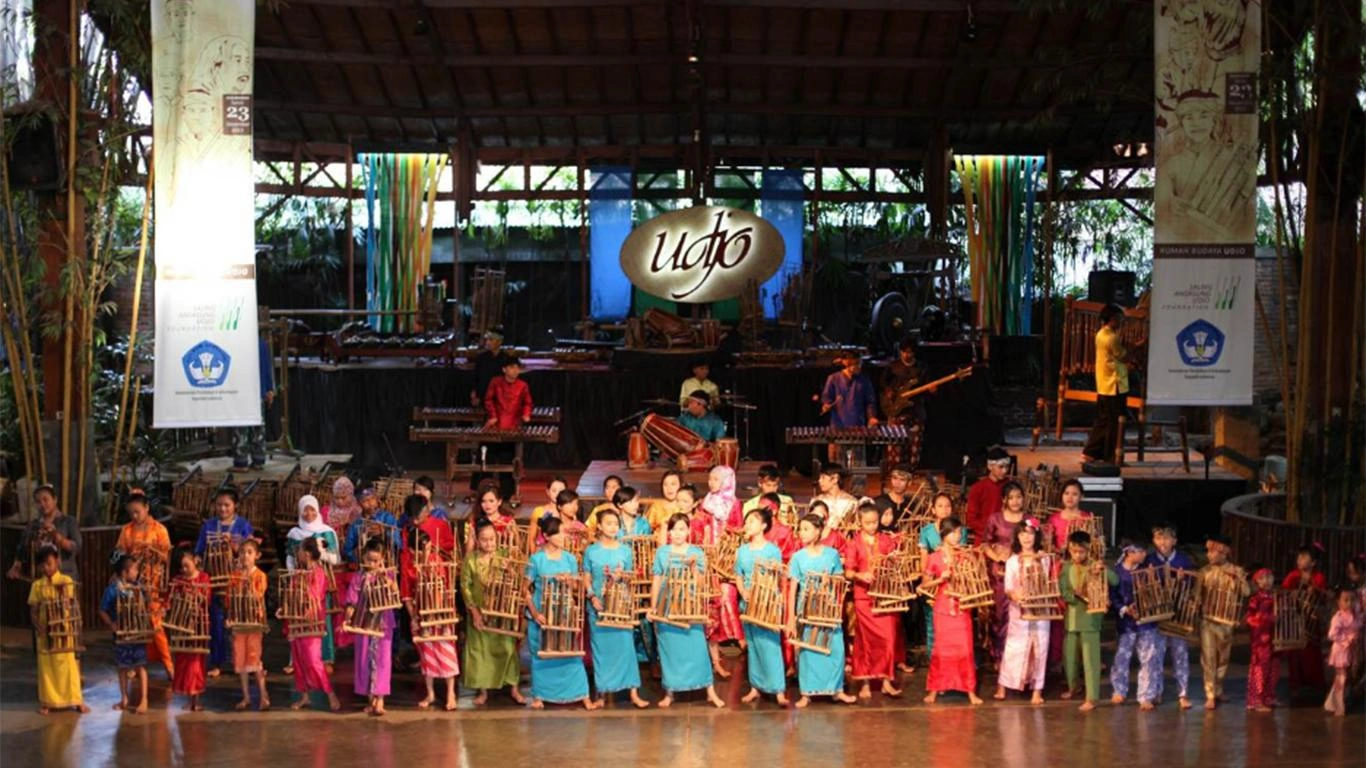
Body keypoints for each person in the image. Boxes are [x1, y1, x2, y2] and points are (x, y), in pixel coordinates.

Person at [652, 513, 725, 708]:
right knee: (669, 651)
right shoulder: (662, 552)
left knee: (698, 648)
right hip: (666, 604)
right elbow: (657, 579)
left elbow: (701, 582)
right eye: (674, 529)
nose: (677, 533)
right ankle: (670, 692)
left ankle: (710, 691)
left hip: (689, 605)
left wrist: (693, 567)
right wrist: (653, 607)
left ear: (689, 531)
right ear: (669, 532)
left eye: (682, 529)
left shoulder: (696, 552)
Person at [398, 493, 460, 711]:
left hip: (440, 611)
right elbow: (406, 591)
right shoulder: (408, 561)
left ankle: (451, 693)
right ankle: (431, 693)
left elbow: (444, 580)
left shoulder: (436, 561)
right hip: (422, 612)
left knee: (446, 649)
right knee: (427, 653)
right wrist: (413, 615)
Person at [582, 509, 649, 709]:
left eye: (615, 523)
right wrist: (591, 595)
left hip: (621, 605)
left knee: (626, 648)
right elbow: (586, 576)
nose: (613, 527)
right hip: (598, 605)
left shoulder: (625, 550)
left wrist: (623, 576)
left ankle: (634, 692)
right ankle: (602, 693)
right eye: (608, 523)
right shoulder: (591, 551)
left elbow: (632, 577)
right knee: (602, 650)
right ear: (600, 526)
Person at [460, 519, 526, 706]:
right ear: (477, 540)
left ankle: (513, 687)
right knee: (480, 651)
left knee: (507, 648)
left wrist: (510, 570)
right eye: (484, 540)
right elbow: (466, 587)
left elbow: (519, 580)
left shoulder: (505, 555)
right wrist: (474, 612)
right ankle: (483, 690)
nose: (489, 543)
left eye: (492, 539)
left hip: (502, 611)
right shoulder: (471, 560)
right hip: (480, 610)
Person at [194, 487, 253, 679]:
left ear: (235, 505)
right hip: (214, 582)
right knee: (217, 623)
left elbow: (249, 552)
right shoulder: (208, 525)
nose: (222, 509)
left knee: (239, 622)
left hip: (237, 581)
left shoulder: (243, 525)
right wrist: (195, 562)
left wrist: (235, 546)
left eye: (227, 505)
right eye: (219, 505)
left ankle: (242, 661)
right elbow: (199, 551)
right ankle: (217, 662)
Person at [846, 503, 903, 699]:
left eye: (875, 522)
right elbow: (848, 571)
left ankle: (886, 681)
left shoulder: (886, 540)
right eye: (867, 523)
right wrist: (861, 575)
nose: (872, 526)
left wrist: (895, 558)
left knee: (888, 639)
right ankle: (865, 682)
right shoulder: (853, 543)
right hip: (864, 597)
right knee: (866, 641)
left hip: (885, 596)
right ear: (859, 522)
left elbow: (893, 562)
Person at [922, 516, 981, 705]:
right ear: (944, 534)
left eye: (959, 532)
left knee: (965, 648)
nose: (957, 536)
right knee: (941, 649)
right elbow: (924, 584)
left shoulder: (964, 555)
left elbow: (976, 578)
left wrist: (974, 560)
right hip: (942, 608)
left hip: (962, 607)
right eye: (953, 532)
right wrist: (941, 579)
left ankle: (969, 689)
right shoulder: (934, 557)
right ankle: (935, 688)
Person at [279, 536, 342, 712]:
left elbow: (316, 596)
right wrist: (285, 609)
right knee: (299, 659)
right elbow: (290, 594)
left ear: (307, 554)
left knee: (313, 660)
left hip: (312, 621)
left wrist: (304, 611)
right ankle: (304, 696)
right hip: (296, 620)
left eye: (299, 550)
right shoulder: (299, 574)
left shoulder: (319, 573)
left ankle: (330, 693)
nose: (297, 554)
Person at [115, 493, 173, 678]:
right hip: (132, 584)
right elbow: (119, 554)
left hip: (153, 584)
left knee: (155, 625)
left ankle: (168, 664)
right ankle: (135, 664)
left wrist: (152, 552)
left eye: (137, 512)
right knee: (134, 622)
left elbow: (166, 557)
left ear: (147, 508)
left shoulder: (160, 530)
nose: (134, 516)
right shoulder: (127, 530)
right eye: (131, 513)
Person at [694, 465, 745, 676]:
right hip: (707, 560)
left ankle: (737, 640)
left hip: (726, 561)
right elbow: (698, 529)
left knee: (727, 597)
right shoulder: (704, 504)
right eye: (710, 479)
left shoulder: (734, 504)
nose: (711, 483)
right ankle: (714, 657)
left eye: (715, 479)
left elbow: (739, 529)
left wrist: (727, 539)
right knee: (710, 604)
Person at [1059, 529, 1117, 711]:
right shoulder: (1066, 567)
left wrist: (1103, 570)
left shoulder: (1095, 565)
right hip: (1071, 619)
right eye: (1074, 551)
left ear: (1088, 550)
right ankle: (1073, 687)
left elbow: (1114, 581)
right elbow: (1063, 590)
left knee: (1091, 660)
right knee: (1069, 658)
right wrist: (1072, 596)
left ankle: (1092, 697)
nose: (1077, 555)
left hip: (1090, 620)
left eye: (1081, 551)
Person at [735, 506, 788, 706]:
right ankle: (755, 686)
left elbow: (778, 577)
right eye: (746, 521)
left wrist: (772, 597)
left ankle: (778, 689)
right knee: (754, 645)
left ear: (763, 526)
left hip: (766, 602)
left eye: (751, 521)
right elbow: (738, 575)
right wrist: (743, 592)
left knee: (770, 646)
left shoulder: (772, 550)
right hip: (748, 602)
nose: (747, 525)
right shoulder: (742, 551)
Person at [996, 520, 1051, 704]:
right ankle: (1003, 684)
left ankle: (1037, 689)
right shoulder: (1012, 561)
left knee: (1040, 648)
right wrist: (1015, 595)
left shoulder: (1044, 559)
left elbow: (1049, 583)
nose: (1026, 537)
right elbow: (1008, 587)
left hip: (1040, 609)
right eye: (1022, 534)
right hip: (1019, 610)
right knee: (1014, 647)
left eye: (1030, 533)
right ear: (1017, 538)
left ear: (1036, 536)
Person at [28, 545, 87, 715]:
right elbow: (33, 610)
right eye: (43, 565)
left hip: (63, 629)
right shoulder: (37, 585)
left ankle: (76, 700)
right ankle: (47, 702)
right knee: (46, 668)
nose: (46, 568)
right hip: (45, 631)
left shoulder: (66, 581)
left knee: (68, 665)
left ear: (58, 562)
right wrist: (38, 627)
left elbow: (69, 603)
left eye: (50, 563)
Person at [286, 495, 340, 671]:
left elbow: (335, 558)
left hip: (320, 581)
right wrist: (293, 573)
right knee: (299, 616)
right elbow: (289, 557)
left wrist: (320, 554)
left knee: (322, 617)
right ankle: (297, 659)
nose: (309, 513)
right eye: (305, 509)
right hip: (301, 582)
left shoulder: (327, 532)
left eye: (312, 509)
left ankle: (326, 658)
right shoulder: (295, 533)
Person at [1144, 523, 1194, 709]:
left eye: (1166, 538)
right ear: (1153, 541)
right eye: (1159, 538)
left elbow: (1191, 583)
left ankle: (1183, 694)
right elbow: (1142, 585)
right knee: (1156, 654)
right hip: (1157, 614)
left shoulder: (1183, 560)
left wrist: (1183, 579)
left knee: (1180, 654)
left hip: (1178, 613)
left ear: (1174, 541)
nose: (1163, 542)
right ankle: (1156, 690)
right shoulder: (1149, 560)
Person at [346, 542, 397, 716]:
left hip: (383, 623)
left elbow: (395, 590)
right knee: (364, 660)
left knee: (383, 660)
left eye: (376, 561)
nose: (373, 564)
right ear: (363, 558)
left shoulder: (387, 574)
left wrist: (385, 577)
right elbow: (352, 600)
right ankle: (370, 699)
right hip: (363, 622)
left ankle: (380, 699)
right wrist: (347, 617)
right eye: (369, 560)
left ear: (383, 560)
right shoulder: (358, 577)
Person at [1198, 534, 1249, 710]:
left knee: (1223, 658)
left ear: (1223, 552)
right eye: (1209, 552)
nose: (1209, 556)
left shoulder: (1236, 571)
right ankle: (1210, 693)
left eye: (1212, 552)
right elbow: (1196, 596)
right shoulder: (1204, 571)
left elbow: (1246, 592)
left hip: (1226, 622)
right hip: (1208, 620)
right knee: (1209, 658)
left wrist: (1239, 578)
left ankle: (1218, 688)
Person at [99, 553, 149, 714]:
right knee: (122, 667)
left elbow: (147, 604)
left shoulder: (139, 586)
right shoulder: (113, 589)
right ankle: (124, 698)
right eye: (134, 570)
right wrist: (111, 624)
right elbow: (102, 610)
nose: (137, 573)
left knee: (140, 666)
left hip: (138, 632)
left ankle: (144, 699)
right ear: (124, 572)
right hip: (121, 634)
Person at [1109, 544, 1158, 709]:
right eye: (1141, 551)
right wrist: (1124, 609)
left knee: (1148, 658)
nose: (1144, 554)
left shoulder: (1147, 570)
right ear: (1129, 553)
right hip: (1126, 623)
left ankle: (1146, 695)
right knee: (1122, 657)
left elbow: (1155, 593)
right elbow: (1112, 596)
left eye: (1144, 551)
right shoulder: (1116, 572)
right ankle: (1119, 690)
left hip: (1146, 621)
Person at [1082, 303, 1129, 464]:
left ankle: (1091, 452)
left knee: (1104, 421)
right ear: (1113, 319)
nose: (1121, 322)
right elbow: (1123, 356)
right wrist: (1139, 346)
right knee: (1113, 424)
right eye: (1119, 318)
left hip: (1104, 385)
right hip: (1113, 385)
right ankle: (1110, 457)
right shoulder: (1112, 337)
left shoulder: (1100, 334)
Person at [482, 356, 533, 499]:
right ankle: (484, 491)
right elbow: (488, 400)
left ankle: (506, 493)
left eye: (517, 367)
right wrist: (492, 415)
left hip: (512, 427)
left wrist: (526, 414)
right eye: (511, 367)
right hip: (495, 426)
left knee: (508, 460)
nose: (515, 370)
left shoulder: (522, 385)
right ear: (504, 369)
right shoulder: (496, 382)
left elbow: (527, 403)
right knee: (488, 459)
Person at [1281, 543, 1329, 695]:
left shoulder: (1318, 577)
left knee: (1311, 654)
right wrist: (1292, 594)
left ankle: (1315, 684)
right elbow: (1283, 592)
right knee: (1294, 653)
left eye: (1303, 557)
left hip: (1311, 622)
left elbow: (1322, 597)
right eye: (1299, 557)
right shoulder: (1293, 575)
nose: (1299, 560)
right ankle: (1295, 683)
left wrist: (1314, 590)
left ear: (1313, 563)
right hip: (1295, 619)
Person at [8, 483, 82, 581]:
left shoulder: (68, 521)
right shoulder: (33, 525)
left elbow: (77, 547)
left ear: (55, 499)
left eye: (45, 499)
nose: (42, 504)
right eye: (38, 502)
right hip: (41, 580)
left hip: (66, 578)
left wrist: (57, 536)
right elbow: (22, 548)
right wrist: (17, 566)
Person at [168, 547, 210, 711]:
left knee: (195, 663)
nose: (185, 570)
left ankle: (195, 698)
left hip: (198, 627)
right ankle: (189, 698)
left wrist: (196, 596)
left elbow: (206, 599)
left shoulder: (204, 578)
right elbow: (171, 600)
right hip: (182, 627)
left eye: (187, 565)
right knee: (183, 661)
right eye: (182, 567)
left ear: (195, 561)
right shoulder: (178, 580)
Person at [917, 491, 958, 656]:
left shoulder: (957, 529)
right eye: (940, 506)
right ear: (933, 509)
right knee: (932, 620)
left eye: (948, 506)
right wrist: (925, 580)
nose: (944, 509)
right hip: (934, 575)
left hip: (953, 578)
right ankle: (933, 655)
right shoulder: (927, 531)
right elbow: (924, 557)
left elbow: (959, 554)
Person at [231, 539, 270, 711]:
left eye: (249, 552)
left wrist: (247, 584)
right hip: (239, 622)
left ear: (257, 555)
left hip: (254, 623)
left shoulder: (260, 575)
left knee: (254, 659)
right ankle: (246, 697)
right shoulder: (235, 576)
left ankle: (264, 696)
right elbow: (230, 599)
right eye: (242, 552)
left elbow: (258, 596)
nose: (245, 556)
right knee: (241, 659)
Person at [820, 354, 878, 464]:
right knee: (837, 465)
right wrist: (826, 406)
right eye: (856, 364)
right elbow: (826, 398)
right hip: (838, 427)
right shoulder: (833, 379)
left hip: (858, 427)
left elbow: (870, 402)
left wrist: (871, 417)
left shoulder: (864, 380)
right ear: (847, 363)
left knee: (858, 465)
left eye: (860, 364)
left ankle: (857, 481)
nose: (859, 367)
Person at [880, 338, 926, 468]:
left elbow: (928, 388)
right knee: (895, 444)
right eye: (904, 352)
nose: (907, 355)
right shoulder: (892, 367)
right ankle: (895, 470)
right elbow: (883, 383)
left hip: (915, 411)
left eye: (910, 352)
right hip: (896, 411)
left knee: (914, 446)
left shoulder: (921, 368)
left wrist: (932, 390)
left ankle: (911, 471)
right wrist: (889, 391)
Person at [232, 334, 275, 469]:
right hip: (258, 391)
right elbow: (267, 368)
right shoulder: (261, 343)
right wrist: (269, 389)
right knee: (258, 427)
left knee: (241, 428)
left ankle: (241, 461)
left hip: (241, 391)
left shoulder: (236, 344)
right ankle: (258, 460)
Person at [1245, 567, 1278, 713]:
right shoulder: (1255, 599)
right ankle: (1257, 699)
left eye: (1269, 577)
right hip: (1261, 640)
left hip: (1274, 638)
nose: (1267, 580)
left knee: (1274, 669)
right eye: (1263, 578)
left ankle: (1268, 697)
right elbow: (1249, 618)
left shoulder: (1275, 597)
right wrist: (1266, 619)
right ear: (1257, 581)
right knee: (1260, 669)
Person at [1324, 588, 1361, 716]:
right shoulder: (1338, 617)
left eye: (1352, 600)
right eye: (1346, 600)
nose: (1349, 603)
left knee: (1344, 678)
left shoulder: (1356, 615)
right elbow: (1332, 634)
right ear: (1339, 602)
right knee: (1341, 678)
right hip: (1341, 650)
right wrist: (1347, 639)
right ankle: (1338, 707)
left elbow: (1359, 625)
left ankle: (1333, 703)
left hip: (1351, 649)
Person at [343, 488, 399, 564]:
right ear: (359, 503)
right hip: (365, 567)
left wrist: (384, 532)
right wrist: (360, 555)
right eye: (365, 500)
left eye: (372, 498)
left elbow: (399, 543)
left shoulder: (387, 518)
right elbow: (347, 551)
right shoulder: (356, 524)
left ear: (376, 498)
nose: (370, 503)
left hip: (387, 565)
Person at [966, 447, 1010, 543]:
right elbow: (971, 520)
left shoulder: (1010, 485)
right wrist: (992, 529)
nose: (1005, 471)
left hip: (1007, 539)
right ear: (990, 466)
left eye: (1007, 467)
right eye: (1001, 467)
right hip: (984, 539)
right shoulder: (978, 488)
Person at [467, 483, 518, 555]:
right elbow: (469, 553)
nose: (487, 505)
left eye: (491, 501)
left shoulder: (508, 522)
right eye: (483, 501)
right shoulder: (476, 523)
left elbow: (518, 548)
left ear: (499, 502)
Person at [812, 463, 857, 534]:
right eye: (819, 477)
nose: (819, 481)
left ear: (835, 479)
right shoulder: (816, 501)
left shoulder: (851, 502)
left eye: (823, 477)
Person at [469, 327, 509, 406]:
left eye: (491, 340)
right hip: (483, 397)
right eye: (487, 340)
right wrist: (474, 394)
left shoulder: (506, 359)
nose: (487, 342)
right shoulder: (481, 358)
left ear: (499, 342)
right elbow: (476, 378)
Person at [527, 475, 569, 546]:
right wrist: (535, 555)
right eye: (554, 490)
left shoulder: (569, 512)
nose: (557, 494)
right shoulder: (538, 511)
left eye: (561, 491)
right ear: (548, 492)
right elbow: (531, 539)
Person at [873, 465, 914, 532]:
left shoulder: (911, 505)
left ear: (909, 483)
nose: (897, 483)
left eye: (902, 480)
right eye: (894, 478)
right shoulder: (879, 502)